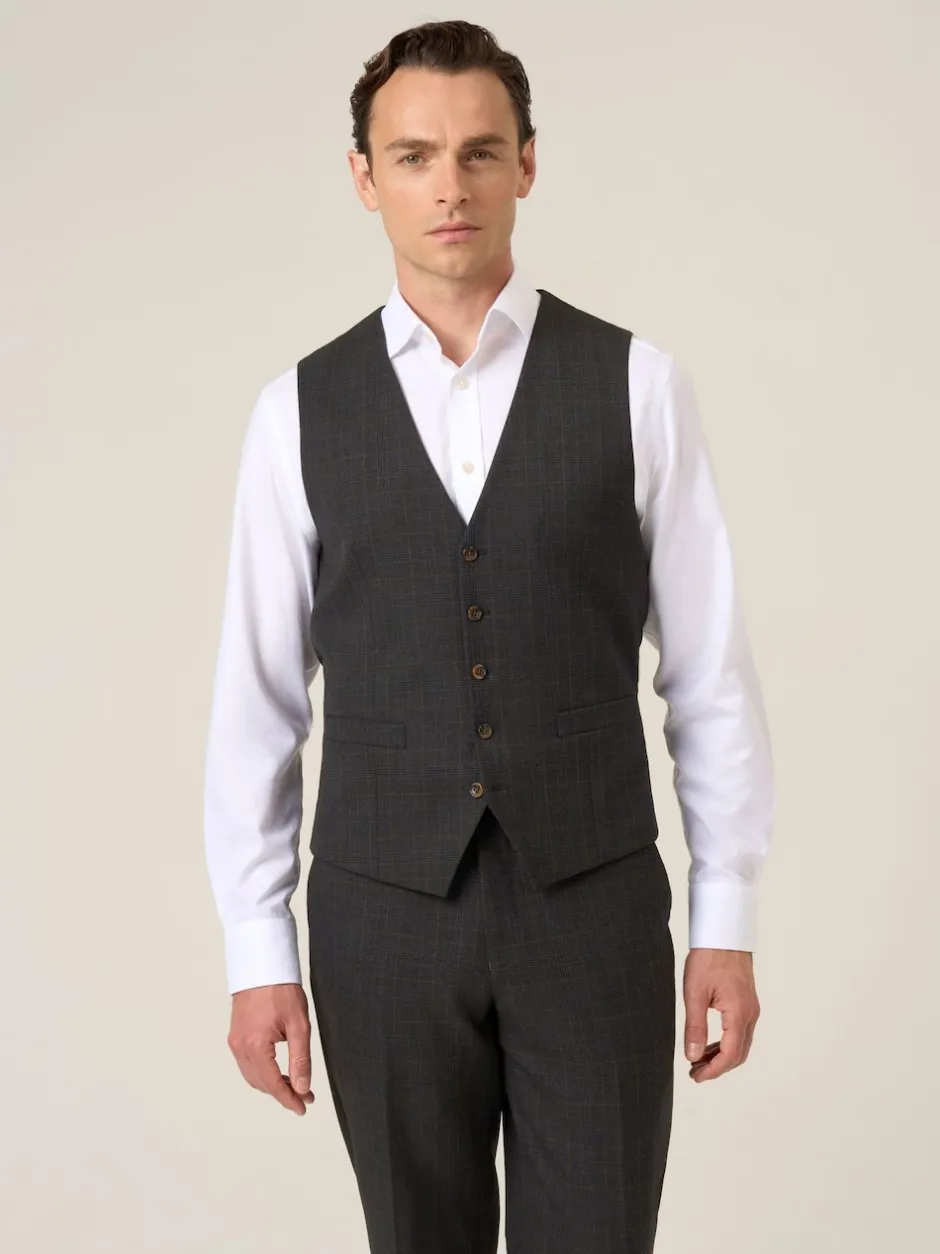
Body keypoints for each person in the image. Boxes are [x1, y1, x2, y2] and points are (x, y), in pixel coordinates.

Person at [203, 18, 775, 1254]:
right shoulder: (296, 411)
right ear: (365, 178)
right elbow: (258, 701)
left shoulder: (638, 384)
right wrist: (259, 950)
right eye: (412, 156)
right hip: (382, 918)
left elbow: (709, 676)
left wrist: (723, 920)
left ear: (527, 162)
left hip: (593, 909)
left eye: (477, 151)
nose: (448, 186)